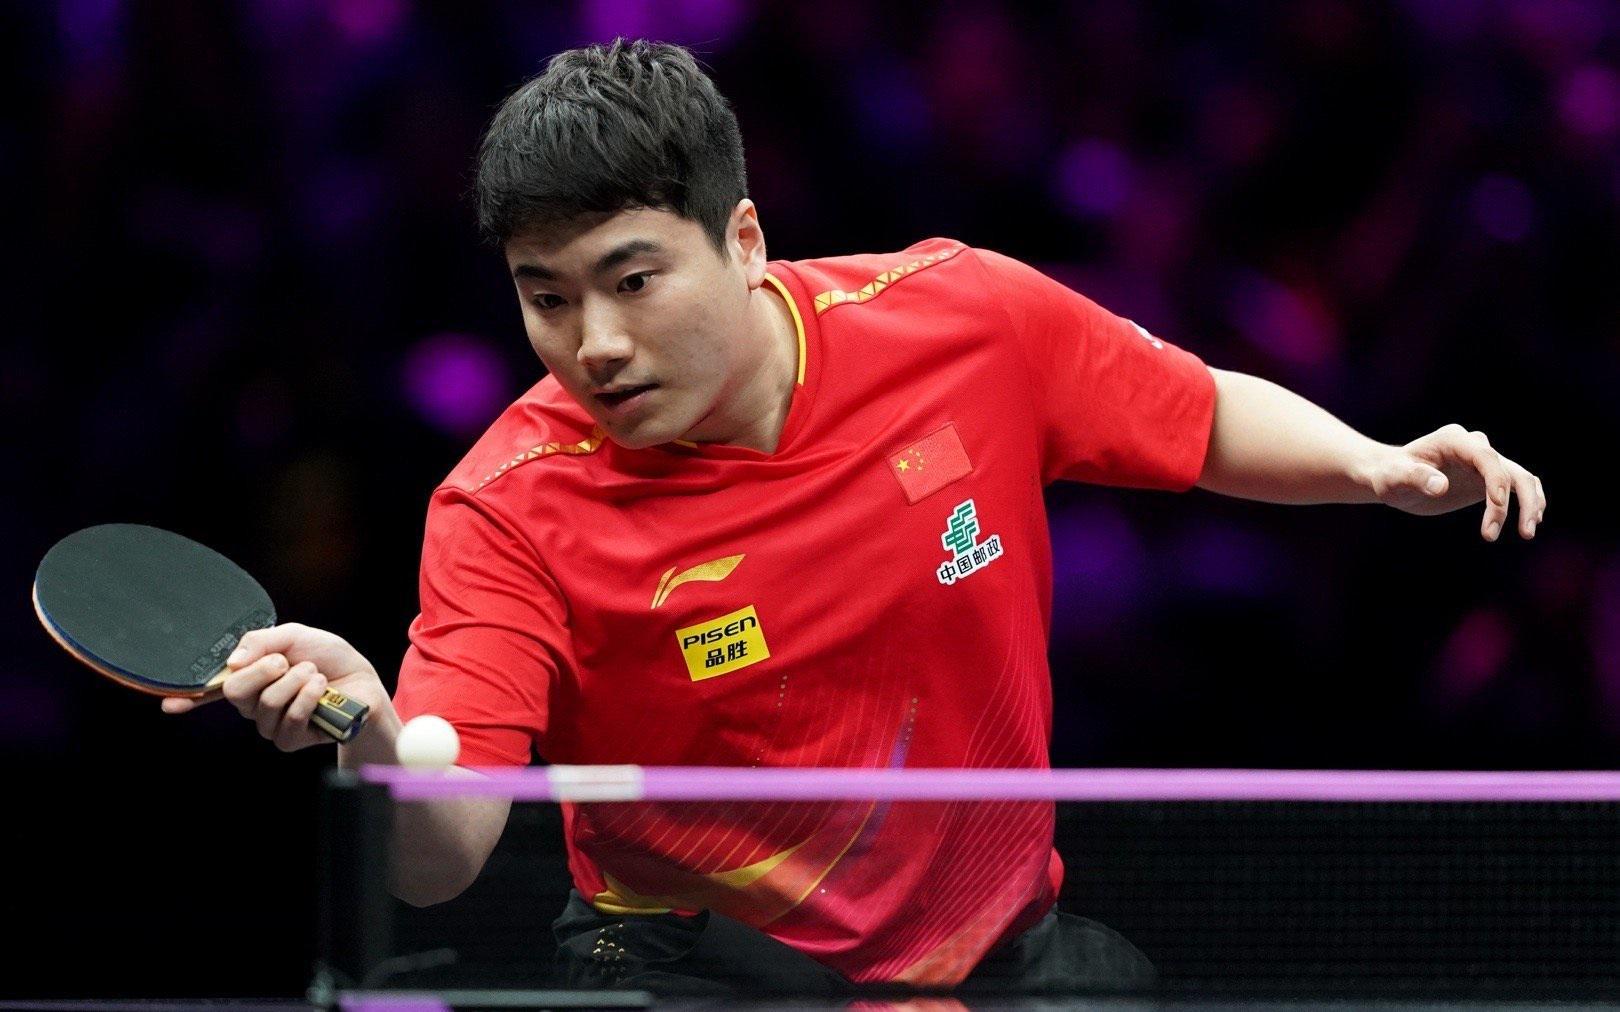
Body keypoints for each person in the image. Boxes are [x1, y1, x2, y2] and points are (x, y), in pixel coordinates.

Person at [162, 38, 1546, 997]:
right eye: (547, 296)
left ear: (744, 239)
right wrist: (372, 732)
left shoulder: (963, 320)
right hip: (696, 972)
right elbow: (440, 858)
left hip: (994, 953)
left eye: (633, 280)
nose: (594, 343)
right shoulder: (507, 505)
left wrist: (1372, 465)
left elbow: (1192, 412)